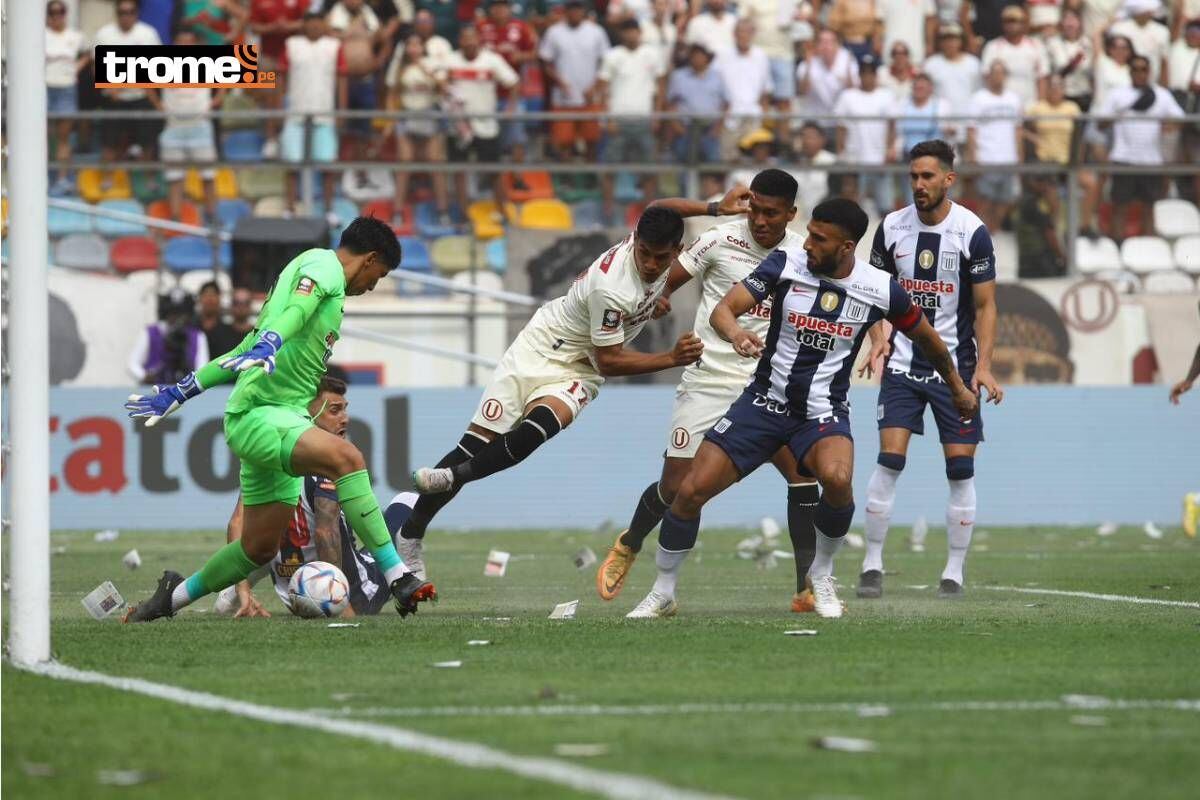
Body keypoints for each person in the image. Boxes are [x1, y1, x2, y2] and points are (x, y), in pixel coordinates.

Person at [624, 197, 978, 619]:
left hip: (822, 411)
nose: (808, 243)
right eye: (809, 233)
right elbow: (724, 309)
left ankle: (821, 576)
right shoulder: (785, 265)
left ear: (846, 247)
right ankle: (663, 592)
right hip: (763, 403)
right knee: (689, 492)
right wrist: (736, 333)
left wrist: (958, 387)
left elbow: (929, 340)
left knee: (838, 479)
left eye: (820, 239)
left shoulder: (880, 288)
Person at [122, 217, 436, 622]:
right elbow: (297, 310)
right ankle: (399, 577)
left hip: (274, 421)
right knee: (348, 459)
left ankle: (169, 599)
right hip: (262, 417)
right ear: (372, 259)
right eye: (379, 276)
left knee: (258, 549)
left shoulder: (304, 279)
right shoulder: (324, 268)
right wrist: (273, 340)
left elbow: (245, 347)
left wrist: (182, 390)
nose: (373, 285)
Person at [399, 207, 710, 579]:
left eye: (662, 257)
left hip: (579, 369)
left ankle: (452, 476)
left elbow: (664, 206)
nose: (651, 264)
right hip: (539, 347)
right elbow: (611, 361)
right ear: (636, 241)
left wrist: (713, 208)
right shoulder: (612, 287)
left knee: (538, 429)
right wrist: (670, 357)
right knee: (473, 446)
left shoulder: (646, 247)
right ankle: (410, 534)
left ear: (677, 250)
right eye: (645, 254)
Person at [597, 172, 825, 615]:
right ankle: (630, 542)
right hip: (709, 377)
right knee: (678, 485)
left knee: (803, 477)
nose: (760, 220)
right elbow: (664, 278)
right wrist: (655, 297)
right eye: (755, 208)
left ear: (791, 215)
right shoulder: (719, 238)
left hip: (769, 385)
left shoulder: (801, 253)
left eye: (771, 213)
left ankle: (805, 588)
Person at [857, 139, 1002, 599]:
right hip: (901, 365)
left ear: (948, 180)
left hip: (954, 372)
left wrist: (985, 367)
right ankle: (871, 565)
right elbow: (875, 293)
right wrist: (878, 340)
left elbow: (986, 306)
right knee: (890, 460)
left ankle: (954, 571)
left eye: (927, 177)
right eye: (913, 177)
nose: (918, 185)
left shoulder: (972, 232)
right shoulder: (891, 228)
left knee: (960, 471)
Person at [216, 376, 419, 618]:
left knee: (263, 536)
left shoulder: (268, 456)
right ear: (308, 412)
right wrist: (341, 605)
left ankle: (235, 589)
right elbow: (325, 532)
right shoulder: (330, 465)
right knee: (408, 502)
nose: (345, 418)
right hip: (343, 592)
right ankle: (409, 567)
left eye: (345, 409)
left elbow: (237, 522)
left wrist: (243, 590)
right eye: (334, 410)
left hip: (291, 591)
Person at [1096, 55, 1185, 239]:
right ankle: (1117, 249)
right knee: (1120, 207)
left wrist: (1171, 126)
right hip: (1123, 158)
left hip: (1151, 160)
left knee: (1149, 208)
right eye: (1135, 69)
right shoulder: (1117, 94)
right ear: (1129, 71)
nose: (1139, 73)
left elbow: (1180, 118)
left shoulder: (1161, 95)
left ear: (1149, 72)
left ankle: (1150, 250)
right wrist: (1119, 113)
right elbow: (1100, 123)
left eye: (1143, 69)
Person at [445, 25, 520, 213]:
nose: (469, 42)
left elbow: (514, 82)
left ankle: (502, 213)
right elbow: (440, 83)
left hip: (486, 125)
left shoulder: (492, 60)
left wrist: (510, 108)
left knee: (494, 171)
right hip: (459, 127)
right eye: (465, 38)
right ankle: (463, 214)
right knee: (459, 172)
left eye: (472, 38)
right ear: (459, 41)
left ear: (479, 39)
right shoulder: (450, 60)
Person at [596, 18, 665, 222]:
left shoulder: (651, 54)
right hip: (618, 120)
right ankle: (608, 211)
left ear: (639, 32)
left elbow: (661, 86)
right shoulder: (612, 56)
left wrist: (657, 115)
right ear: (621, 34)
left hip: (644, 119)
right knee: (610, 167)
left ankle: (649, 212)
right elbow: (603, 89)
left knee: (649, 168)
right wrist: (607, 119)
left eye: (633, 31)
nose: (630, 35)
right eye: (626, 31)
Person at [279, 12, 346, 219]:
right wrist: (280, 109)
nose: (315, 28)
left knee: (327, 165)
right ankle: (290, 208)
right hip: (295, 113)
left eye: (319, 24)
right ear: (304, 25)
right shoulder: (292, 44)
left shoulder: (334, 46)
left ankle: (328, 210)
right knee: (292, 164)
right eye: (311, 24)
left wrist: (341, 110)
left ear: (323, 25)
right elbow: (281, 78)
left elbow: (342, 79)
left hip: (324, 113)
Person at [156, 27, 225, 222]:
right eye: (181, 42)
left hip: (200, 127)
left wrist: (216, 100)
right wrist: (158, 105)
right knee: (174, 178)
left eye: (189, 42)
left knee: (208, 176)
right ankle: (176, 217)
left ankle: (212, 215)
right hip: (173, 128)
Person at [386, 33, 450, 225]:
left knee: (435, 163)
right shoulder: (398, 66)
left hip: (429, 114)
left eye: (417, 44)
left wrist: (424, 68)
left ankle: (443, 211)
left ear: (423, 47)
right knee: (404, 164)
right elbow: (392, 93)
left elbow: (443, 87)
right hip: (406, 114)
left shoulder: (433, 63)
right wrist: (391, 119)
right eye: (410, 44)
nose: (414, 48)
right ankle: (397, 211)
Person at [94, 0, 164, 174]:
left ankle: (147, 180)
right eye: (122, 12)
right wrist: (111, 88)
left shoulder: (148, 34)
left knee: (148, 143)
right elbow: (96, 66)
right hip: (114, 98)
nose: (126, 16)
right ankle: (107, 179)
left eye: (130, 12)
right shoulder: (104, 34)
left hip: (142, 96)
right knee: (109, 143)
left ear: (137, 13)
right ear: (116, 13)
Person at [538, 0, 610, 163]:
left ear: (583, 11)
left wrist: (595, 86)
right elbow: (544, 61)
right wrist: (558, 80)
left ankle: (591, 178)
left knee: (591, 141)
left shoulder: (596, 32)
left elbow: (606, 62)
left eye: (578, 9)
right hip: (564, 97)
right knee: (564, 142)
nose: (575, 13)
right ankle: (567, 180)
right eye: (571, 9)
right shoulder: (554, 32)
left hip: (590, 96)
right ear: (565, 11)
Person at [833, 54, 896, 215]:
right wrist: (842, 154)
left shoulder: (886, 96)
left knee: (885, 207)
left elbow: (892, 126)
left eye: (870, 72)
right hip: (854, 159)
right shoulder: (848, 96)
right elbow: (841, 127)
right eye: (864, 72)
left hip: (880, 160)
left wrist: (890, 150)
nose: (867, 76)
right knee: (853, 206)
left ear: (875, 74)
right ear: (859, 75)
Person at [967, 61, 1023, 232]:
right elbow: (971, 130)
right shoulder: (978, 99)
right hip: (986, 158)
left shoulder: (1014, 99)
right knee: (986, 200)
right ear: (988, 76)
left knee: (1005, 200)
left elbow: (1018, 130)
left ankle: (994, 233)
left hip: (1008, 159)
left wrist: (1020, 155)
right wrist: (973, 156)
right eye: (994, 73)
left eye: (1001, 73)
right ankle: (982, 236)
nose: (997, 77)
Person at [46, 1, 90, 196]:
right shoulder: (40, 35)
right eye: (53, 13)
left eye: (60, 12)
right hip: (44, 88)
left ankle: (62, 178)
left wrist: (75, 69)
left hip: (66, 89)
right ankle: (46, 176)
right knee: (43, 137)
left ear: (65, 14)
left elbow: (88, 54)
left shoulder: (76, 36)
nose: (57, 16)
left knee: (63, 137)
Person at [715, 19, 773, 159]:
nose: (744, 36)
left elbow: (766, 90)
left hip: (753, 118)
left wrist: (763, 114)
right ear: (734, 34)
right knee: (727, 158)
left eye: (748, 32)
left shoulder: (761, 56)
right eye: (741, 32)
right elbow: (715, 87)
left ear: (753, 34)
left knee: (752, 163)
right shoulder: (723, 55)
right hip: (729, 119)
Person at [128, 288, 210, 385]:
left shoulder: (198, 336)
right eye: (173, 313)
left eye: (181, 313)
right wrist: (144, 376)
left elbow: (202, 369)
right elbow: (132, 363)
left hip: (185, 392)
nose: (177, 317)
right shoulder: (150, 332)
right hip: (154, 390)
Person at [665, 43, 728, 165]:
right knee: (683, 164)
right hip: (686, 128)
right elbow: (670, 104)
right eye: (694, 56)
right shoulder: (679, 76)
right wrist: (677, 127)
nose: (697, 59)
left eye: (700, 56)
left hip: (709, 129)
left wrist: (717, 128)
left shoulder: (717, 77)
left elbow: (725, 104)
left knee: (712, 166)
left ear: (707, 58)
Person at [980, 5, 1049, 107]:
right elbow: (987, 77)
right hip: (1003, 105)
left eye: (1016, 21)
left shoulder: (1036, 45)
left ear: (1023, 24)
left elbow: (1042, 77)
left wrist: (1040, 105)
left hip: (1030, 103)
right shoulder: (993, 47)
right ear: (1003, 24)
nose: (1012, 25)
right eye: (1008, 21)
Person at [923, 24, 982, 141]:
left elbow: (978, 95)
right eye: (946, 38)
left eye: (954, 38)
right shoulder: (930, 64)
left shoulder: (973, 63)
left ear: (961, 41)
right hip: (940, 128)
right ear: (940, 42)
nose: (950, 42)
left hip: (968, 125)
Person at [797, 29, 861, 135]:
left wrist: (848, 72)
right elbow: (803, 91)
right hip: (815, 123)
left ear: (837, 45)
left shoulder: (847, 59)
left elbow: (853, 91)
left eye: (830, 42)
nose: (826, 46)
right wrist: (808, 65)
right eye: (822, 42)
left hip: (840, 123)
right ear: (816, 45)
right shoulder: (807, 63)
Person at [1044, 8, 1095, 110]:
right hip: (1062, 97)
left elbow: (1091, 71)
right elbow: (1047, 73)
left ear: (1080, 23)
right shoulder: (1052, 43)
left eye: (1074, 20)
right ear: (1061, 23)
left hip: (1083, 95)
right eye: (1067, 19)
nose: (1070, 24)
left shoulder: (1087, 44)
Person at [1109, 0, 1171, 84]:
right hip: (1123, 82)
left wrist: (1164, 87)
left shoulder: (1162, 31)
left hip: (1152, 83)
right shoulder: (1119, 29)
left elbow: (1164, 61)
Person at [197, 280, 242, 357]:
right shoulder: (192, 330)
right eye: (206, 295)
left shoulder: (230, 332)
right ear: (200, 299)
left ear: (219, 299)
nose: (210, 300)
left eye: (213, 295)